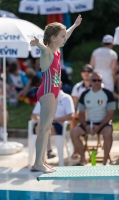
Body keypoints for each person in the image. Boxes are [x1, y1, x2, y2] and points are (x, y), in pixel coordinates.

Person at [30, 14, 82, 172]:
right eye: (62, 36)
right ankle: (38, 163)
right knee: (44, 127)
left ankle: (42, 161)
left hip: (53, 91)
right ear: (53, 38)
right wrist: (38, 43)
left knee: (46, 128)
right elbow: (44, 49)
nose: (65, 38)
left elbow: (65, 35)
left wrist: (74, 25)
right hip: (47, 92)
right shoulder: (48, 53)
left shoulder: (57, 50)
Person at [70, 72, 115, 166]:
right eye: (94, 80)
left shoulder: (108, 94)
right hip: (88, 122)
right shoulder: (84, 94)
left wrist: (99, 127)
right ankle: (83, 159)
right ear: (90, 81)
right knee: (74, 132)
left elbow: (110, 114)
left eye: (99, 80)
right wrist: (86, 126)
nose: (97, 82)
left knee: (108, 131)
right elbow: (81, 113)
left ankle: (105, 161)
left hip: (104, 123)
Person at [31, 89, 75, 162]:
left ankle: (40, 160)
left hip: (57, 124)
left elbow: (71, 116)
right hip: (43, 123)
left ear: (60, 84)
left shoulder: (66, 98)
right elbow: (34, 115)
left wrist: (53, 119)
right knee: (42, 124)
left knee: (42, 127)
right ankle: (48, 151)